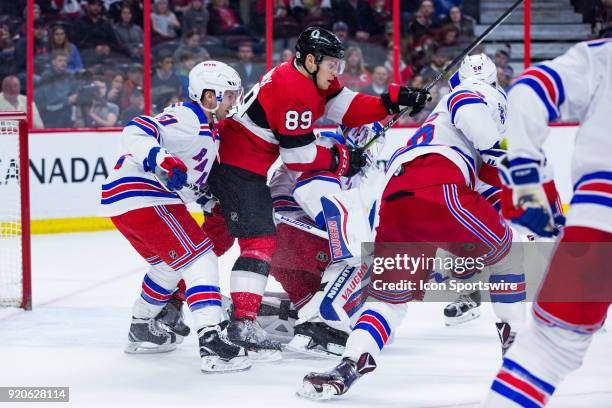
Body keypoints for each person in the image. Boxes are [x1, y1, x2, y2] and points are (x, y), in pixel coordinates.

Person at [297, 54, 532, 399]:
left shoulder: (439, 122)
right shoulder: (480, 95)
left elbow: (487, 188)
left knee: (389, 300)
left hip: (397, 201)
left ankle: (349, 365)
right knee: (511, 255)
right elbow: (472, 115)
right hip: (439, 188)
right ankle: (518, 358)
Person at [203, 26, 429, 361]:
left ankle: (177, 302)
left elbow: (349, 106)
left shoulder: (311, 80)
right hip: (242, 175)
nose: (337, 72)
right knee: (260, 244)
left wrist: (391, 100)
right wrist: (341, 162)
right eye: (332, 66)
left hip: (255, 188)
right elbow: (300, 161)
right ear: (311, 60)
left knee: (207, 246)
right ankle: (250, 320)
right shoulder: (292, 90)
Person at [482, 38, 612, 407]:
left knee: (549, 349)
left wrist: (524, 171)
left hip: (601, 216)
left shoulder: (603, 56)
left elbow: (528, 91)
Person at [99, 60, 250, 373]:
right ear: (209, 97)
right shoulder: (188, 116)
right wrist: (159, 157)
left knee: (169, 267)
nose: (234, 102)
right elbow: (135, 130)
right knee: (200, 258)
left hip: (125, 201)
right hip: (142, 192)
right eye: (230, 95)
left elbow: (184, 181)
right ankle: (211, 340)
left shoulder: (209, 130)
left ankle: (142, 326)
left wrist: (205, 200)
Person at [35, 51, 78, 128]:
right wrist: (68, 100)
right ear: (53, 62)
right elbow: (50, 99)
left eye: (65, 61)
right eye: (60, 60)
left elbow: (74, 93)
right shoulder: (47, 76)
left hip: (66, 110)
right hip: (49, 112)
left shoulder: (69, 75)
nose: (63, 63)